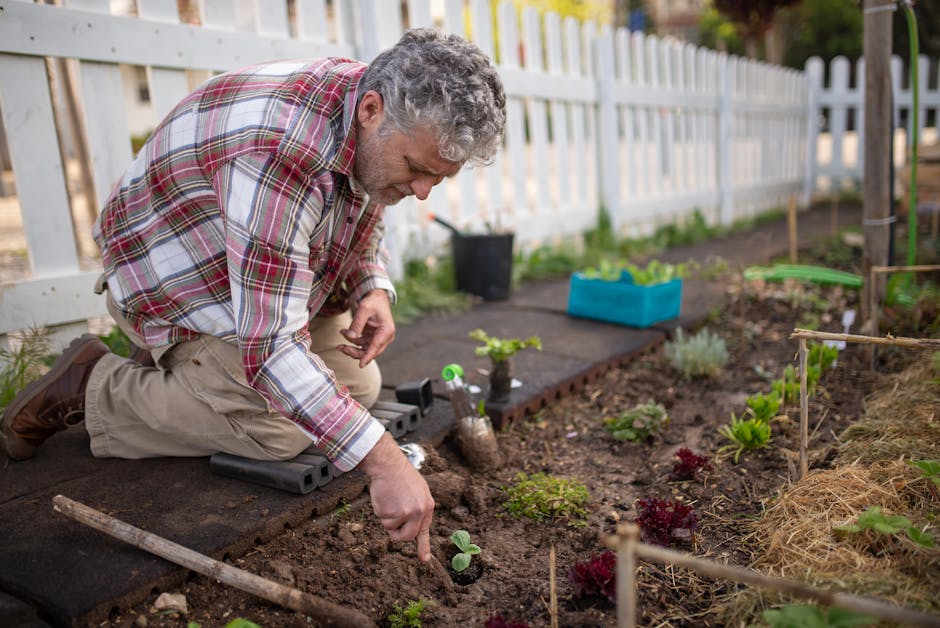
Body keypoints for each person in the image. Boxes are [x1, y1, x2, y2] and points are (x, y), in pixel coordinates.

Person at [1, 28, 506, 563]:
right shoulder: (279, 151)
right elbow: (270, 350)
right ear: (372, 111)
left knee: (359, 381)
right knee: (276, 430)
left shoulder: (374, 112)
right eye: (417, 170)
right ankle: (93, 388)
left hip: (246, 275)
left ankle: (188, 379)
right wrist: (385, 463)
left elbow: (366, 202)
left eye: (439, 178)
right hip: (173, 285)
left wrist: (371, 287)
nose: (423, 192)